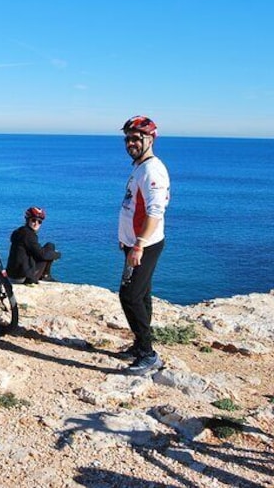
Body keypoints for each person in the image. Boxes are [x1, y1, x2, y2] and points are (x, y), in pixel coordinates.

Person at [117, 115, 170, 375]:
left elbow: (155, 211)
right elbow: (132, 206)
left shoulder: (152, 171)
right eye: (128, 138)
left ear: (150, 139)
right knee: (142, 294)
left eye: (136, 138)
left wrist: (138, 244)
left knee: (129, 295)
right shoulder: (140, 166)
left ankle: (148, 354)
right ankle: (140, 344)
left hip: (145, 245)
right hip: (135, 243)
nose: (131, 143)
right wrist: (125, 239)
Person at [6, 206, 61, 284]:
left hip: (12, 275)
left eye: (39, 222)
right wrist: (57, 254)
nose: (36, 223)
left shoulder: (19, 231)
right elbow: (42, 255)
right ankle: (45, 276)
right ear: (28, 220)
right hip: (23, 278)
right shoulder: (29, 235)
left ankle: (45, 275)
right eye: (33, 220)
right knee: (49, 250)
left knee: (49, 246)